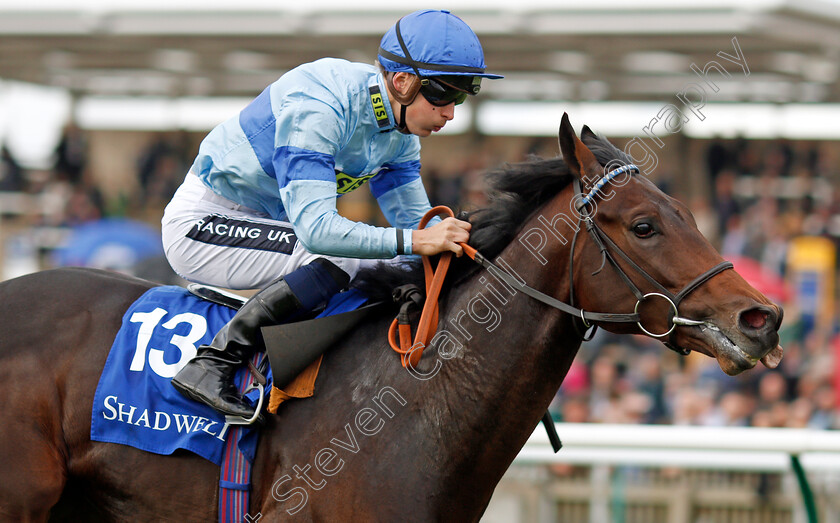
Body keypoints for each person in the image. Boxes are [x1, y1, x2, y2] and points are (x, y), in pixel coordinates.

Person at [161, 9, 502, 421]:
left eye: (462, 98)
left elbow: (418, 230)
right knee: (338, 257)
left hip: (266, 226)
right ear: (403, 82)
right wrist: (417, 240)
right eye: (444, 96)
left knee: (393, 262)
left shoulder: (400, 133)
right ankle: (214, 362)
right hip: (203, 225)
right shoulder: (319, 105)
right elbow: (319, 231)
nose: (450, 113)